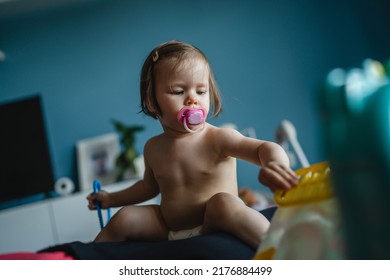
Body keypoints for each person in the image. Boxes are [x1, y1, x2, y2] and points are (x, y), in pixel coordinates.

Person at [87, 40, 298, 249]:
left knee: (222, 203)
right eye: (179, 92)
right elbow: (147, 188)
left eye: (201, 91)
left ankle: (279, 250)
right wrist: (110, 199)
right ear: (152, 102)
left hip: (212, 223)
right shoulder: (153, 148)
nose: (192, 100)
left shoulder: (217, 138)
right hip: (168, 229)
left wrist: (275, 165)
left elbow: (264, 149)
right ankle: (88, 259)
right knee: (126, 217)